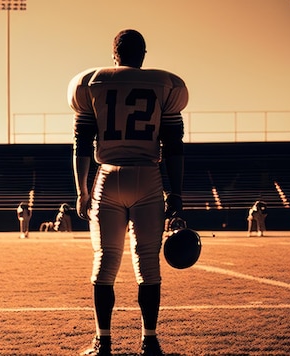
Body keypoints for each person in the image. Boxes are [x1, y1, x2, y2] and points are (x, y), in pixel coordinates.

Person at [68, 29, 188, 356]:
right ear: (144, 55)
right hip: (149, 177)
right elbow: (174, 145)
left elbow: (81, 144)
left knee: (105, 261)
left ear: (114, 54)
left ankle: (102, 341)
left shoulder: (91, 82)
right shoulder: (166, 84)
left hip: (107, 177)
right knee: (148, 263)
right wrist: (175, 193)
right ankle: (150, 340)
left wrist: (82, 190)